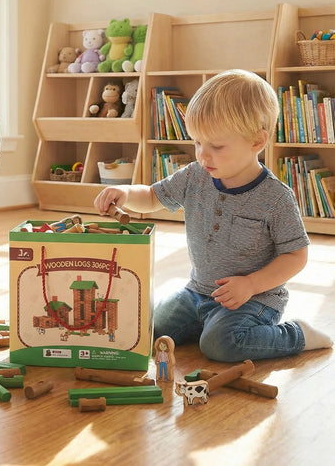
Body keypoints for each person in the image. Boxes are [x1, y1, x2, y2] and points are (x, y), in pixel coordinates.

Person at [95, 69, 332, 362]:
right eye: (197, 142)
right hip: (198, 291)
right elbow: (153, 197)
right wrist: (128, 195)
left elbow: (296, 256)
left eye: (216, 146)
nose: (202, 155)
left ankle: (297, 335)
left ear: (257, 142)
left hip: (253, 299)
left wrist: (251, 285)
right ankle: (206, 323)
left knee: (220, 345)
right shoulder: (195, 176)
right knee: (146, 327)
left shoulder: (276, 197)